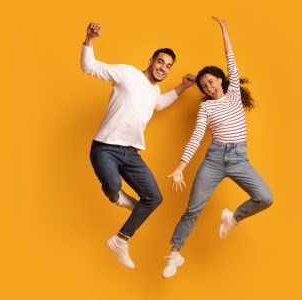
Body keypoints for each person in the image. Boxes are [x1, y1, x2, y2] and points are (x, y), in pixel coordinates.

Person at [163, 17, 273, 278]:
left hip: (238, 158)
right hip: (213, 160)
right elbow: (196, 137)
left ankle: (233, 218)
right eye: (204, 85)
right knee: (193, 209)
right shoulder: (206, 107)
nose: (208, 87)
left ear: (221, 80)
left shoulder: (234, 93)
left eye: (211, 81)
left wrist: (224, 30)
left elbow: (231, 58)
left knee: (265, 198)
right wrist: (180, 168)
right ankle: (173, 255)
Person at [81, 23, 195, 269]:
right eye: (161, 62)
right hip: (106, 147)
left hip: (131, 153)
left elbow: (160, 104)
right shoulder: (127, 73)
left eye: (168, 66)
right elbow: (89, 67)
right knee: (112, 185)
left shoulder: (155, 91)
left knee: (154, 197)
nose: (163, 68)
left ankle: (120, 240)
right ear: (151, 60)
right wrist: (89, 39)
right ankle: (118, 197)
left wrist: (183, 86)